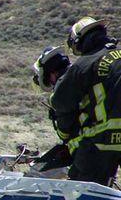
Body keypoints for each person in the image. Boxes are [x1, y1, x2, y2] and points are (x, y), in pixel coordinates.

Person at [50, 16, 121, 186]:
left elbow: (60, 101)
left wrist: (65, 133)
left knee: (84, 194)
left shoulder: (84, 64)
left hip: (102, 140)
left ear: (79, 41)